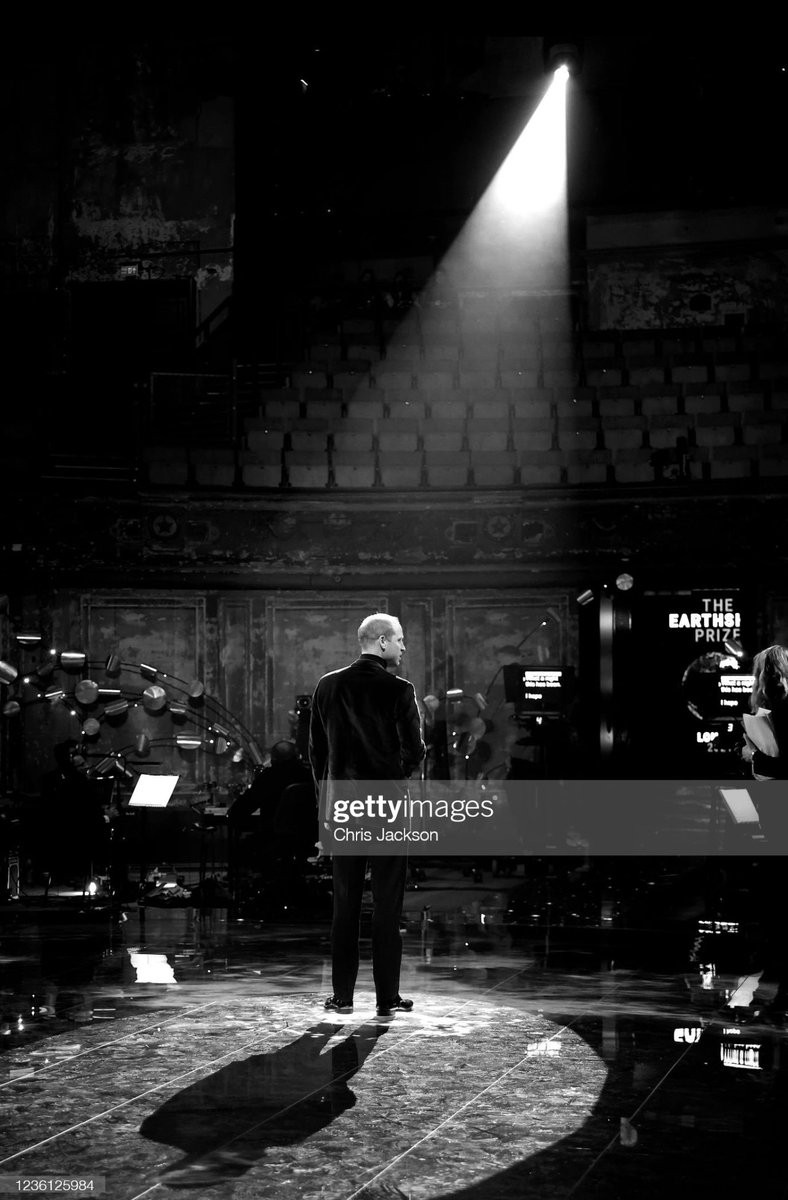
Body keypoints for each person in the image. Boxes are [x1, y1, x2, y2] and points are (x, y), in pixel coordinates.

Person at [309, 612, 425, 1019]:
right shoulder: (400, 689)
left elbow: (317, 756)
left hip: (343, 809)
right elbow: (417, 751)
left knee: (345, 904)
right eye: (399, 640)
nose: (403, 647)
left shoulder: (327, 686)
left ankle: (342, 998)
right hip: (388, 808)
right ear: (381, 643)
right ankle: (386, 999)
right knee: (388, 904)